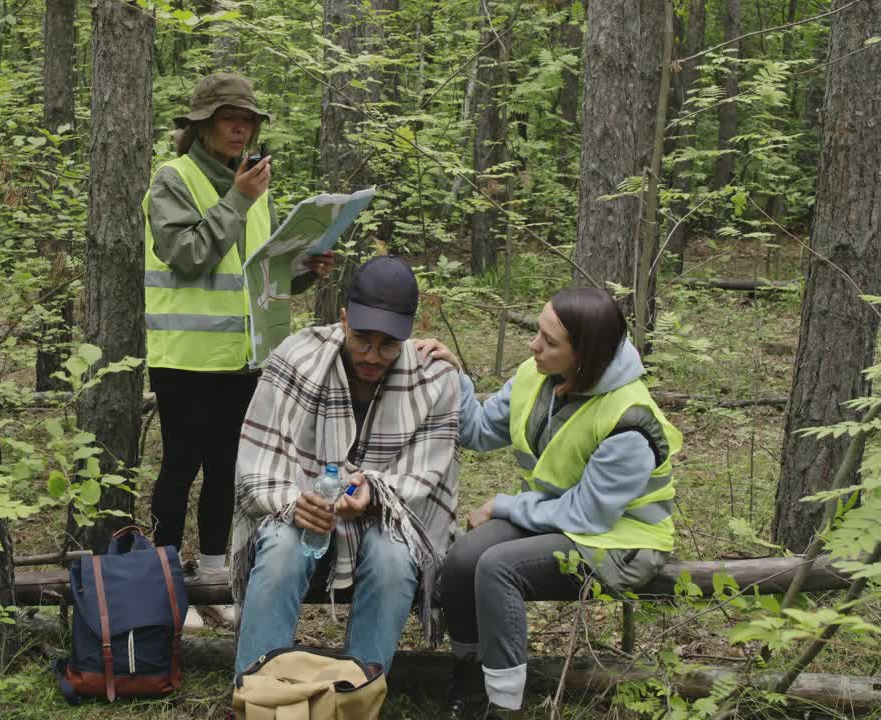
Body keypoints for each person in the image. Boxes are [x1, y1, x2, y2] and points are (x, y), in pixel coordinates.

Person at [144, 72, 333, 629]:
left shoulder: (253, 183)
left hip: (242, 356)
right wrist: (238, 199)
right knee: (181, 463)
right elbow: (190, 256)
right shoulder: (173, 179)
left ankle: (210, 578)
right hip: (184, 356)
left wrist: (302, 272)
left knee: (228, 465)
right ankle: (165, 583)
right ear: (201, 123)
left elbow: (256, 276)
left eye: (247, 119)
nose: (240, 127)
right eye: (230, 117)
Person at [439, 287, 682, 719]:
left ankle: (504, 707)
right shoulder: (536, 376)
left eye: (549, 342)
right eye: (538, 332)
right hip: (555, 516)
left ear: (584, 354)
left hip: (620, 539)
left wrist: (505, 506)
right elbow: (475, 431)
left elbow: (588, 515)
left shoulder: (629, 420)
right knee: (463, 558)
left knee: (498, 567)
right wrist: (453, 374)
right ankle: (469, 681)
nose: (534, 346)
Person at [231, 256, 462, 677]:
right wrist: (294, 501)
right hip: (302, 513)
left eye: (388, 345)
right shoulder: (296, 356)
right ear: (343, 319)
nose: (372, 356)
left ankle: (359, 691)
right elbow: (257, 464)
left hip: (386, 518)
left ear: (408, 334)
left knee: (393, 560)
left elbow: (425, 475)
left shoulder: (433, 378)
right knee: (282, 549)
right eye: (361, 340)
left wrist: (376, 492)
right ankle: (256, 693)